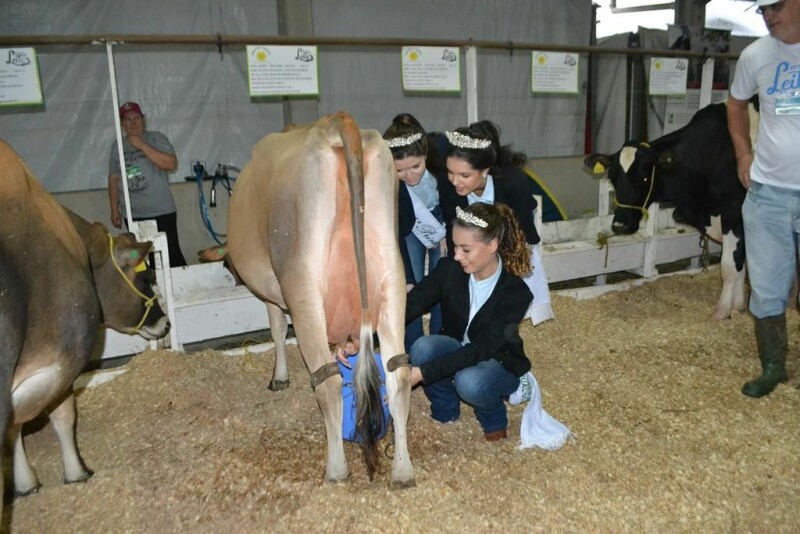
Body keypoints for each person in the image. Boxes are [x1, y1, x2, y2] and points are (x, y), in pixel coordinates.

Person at [406, 202, 533, 441]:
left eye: (466, 249)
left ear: (492, 245)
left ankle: (494, 419)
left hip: (497, 362)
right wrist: (364, 336)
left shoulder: (516, 293)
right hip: (461, 349)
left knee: (470, 381)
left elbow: (481, 350)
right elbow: (412, 304)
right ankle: (446, 410)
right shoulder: (449, 270)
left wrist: (421, 373)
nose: (455, 256)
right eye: (455, 247)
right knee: (423, 347)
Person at [727, 0, 800, 398]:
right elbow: (736, 103)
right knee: (768, 285)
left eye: (777, 5)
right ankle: (774, 367)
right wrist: (743, 154)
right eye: (763, 9)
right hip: (768, 192)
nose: (769, 15)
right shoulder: (755, 55)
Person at [440, 120, 554, 325]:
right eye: (450, 172)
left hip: (512, 243)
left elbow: (521, 234)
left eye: (464, 175)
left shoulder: (513, 182)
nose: (455, 181)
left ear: (485, 170)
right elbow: (452, 231)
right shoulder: (448, 187)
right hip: (471, 250)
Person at [383, 114, 447, 352]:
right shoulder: (389, 185)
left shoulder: (440, 166)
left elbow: (452, 199)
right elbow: (396, 231)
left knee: (444, 280)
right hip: (408, 230)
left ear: (426, 157)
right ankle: (413, 347)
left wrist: (447, 234)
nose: (410, 176)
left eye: (416, 166)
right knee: (411, 289)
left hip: (440, 224)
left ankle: (442, 339)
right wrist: (407, 277)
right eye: (401, 171)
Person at [108, 100, 188, 267]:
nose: (133, 122)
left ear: (143, 119)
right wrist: (115, 210)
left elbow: (171, 164)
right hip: (133, 214)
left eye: (136, 118)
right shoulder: (117, 146)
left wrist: (141, 145)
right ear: (122, 124)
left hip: (161, 211)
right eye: (128, 120)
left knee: (170, 255)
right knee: (142, 260)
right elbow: (114, 178)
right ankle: (151, 292)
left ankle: (180, 291)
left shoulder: (156, 138)